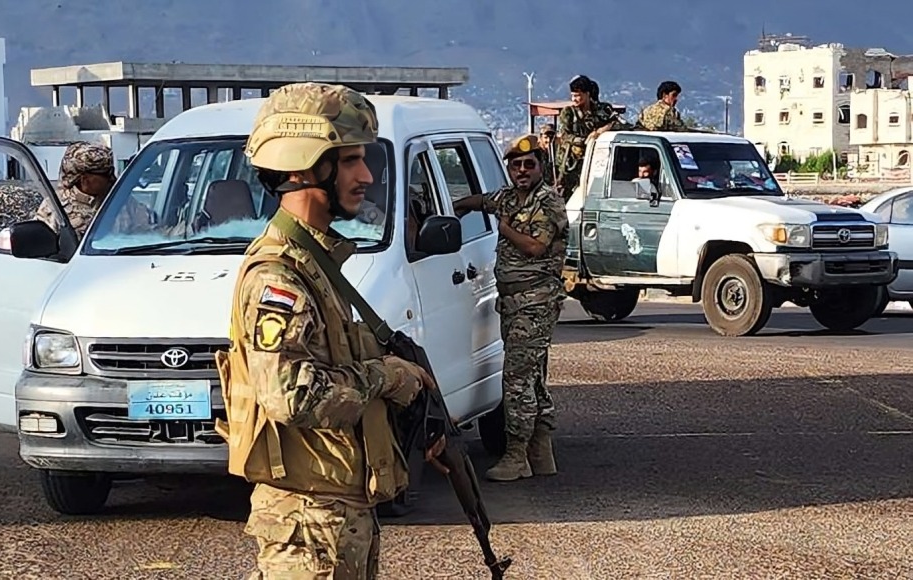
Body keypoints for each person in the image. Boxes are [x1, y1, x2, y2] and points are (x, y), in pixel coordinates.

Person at [218, 81, 446, 578]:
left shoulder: (316, 262)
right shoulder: (278, 276)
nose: (365, 176)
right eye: (349, 161)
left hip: (336, 514)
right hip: (309, 524)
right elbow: (292, 397)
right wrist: (384, 376)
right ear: (304, 166)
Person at [452, 134, 569, 482]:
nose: (521, 170)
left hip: (536, 302)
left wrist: (505, 229)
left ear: (540, 168)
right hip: (516, 303)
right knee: (532, 375)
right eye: (515, 165)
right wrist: (454, 206)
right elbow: (482, 201)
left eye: (528, 164)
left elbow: (535, 246)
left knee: (516, 379)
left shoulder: (548, 202)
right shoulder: (508, 198)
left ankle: (517, 454)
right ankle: (541, 449)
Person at [33, 141, 154, 238]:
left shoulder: (123, 202)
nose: (112, 179)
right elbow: (42, 251)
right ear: (85, 179)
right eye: (105, 174)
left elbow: (150, 234)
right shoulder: (55, 208)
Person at [556, 75, 632, 202]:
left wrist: (601, 131)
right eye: (573, 95)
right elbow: (565, 135)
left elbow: (623, 125)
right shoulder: (569, 113)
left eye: (578, 95)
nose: (574, 99)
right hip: (573, 165)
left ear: (587, 94)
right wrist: (586, 140)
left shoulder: (603, 109)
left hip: (598, 163)